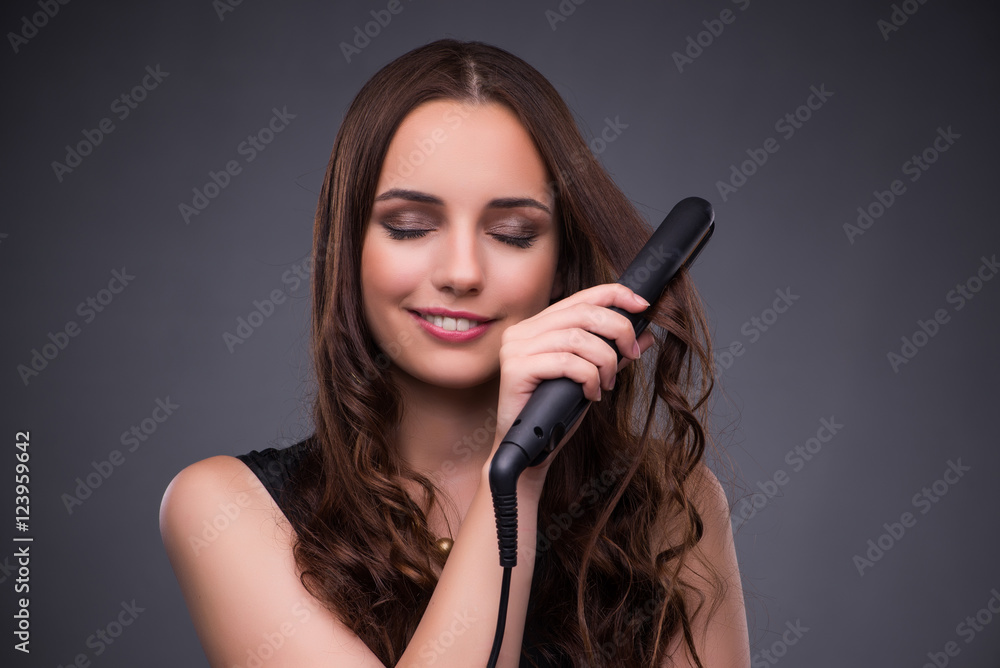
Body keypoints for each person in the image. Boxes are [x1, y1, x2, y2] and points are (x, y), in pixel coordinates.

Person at [159, 38, 750, 667]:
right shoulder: (223, 508)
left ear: (561, 264)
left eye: (512, 234)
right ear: (349, 248)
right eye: (410, 226)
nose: (462, 272)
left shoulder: (673, 508)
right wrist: (515, 475)